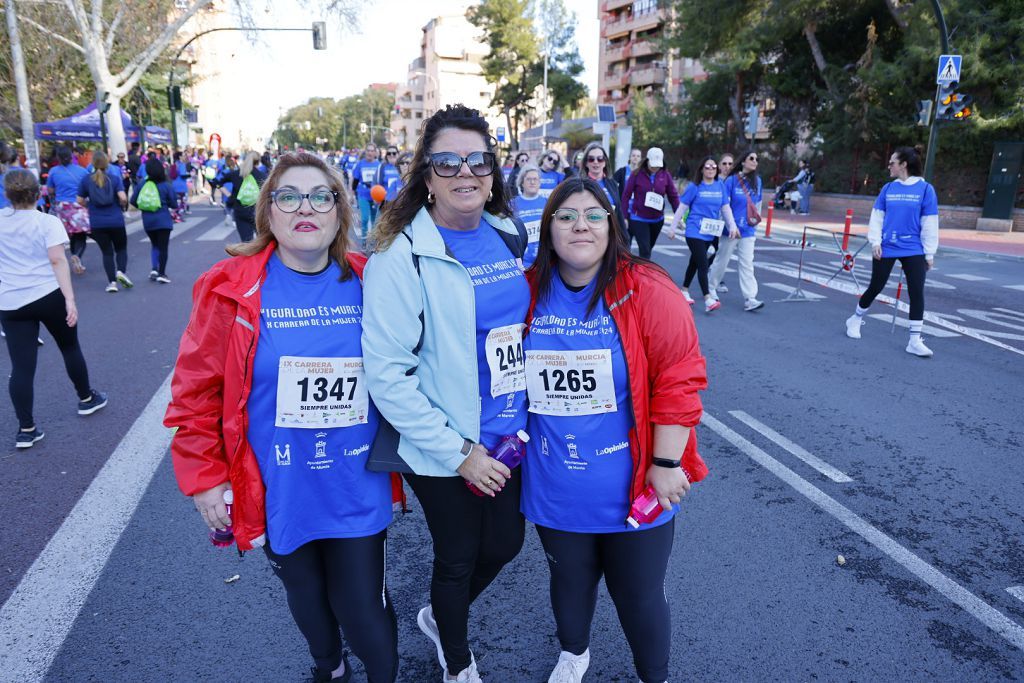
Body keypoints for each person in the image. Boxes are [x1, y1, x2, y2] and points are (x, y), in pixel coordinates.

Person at [164, 152, 402, 683]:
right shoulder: (230, 286)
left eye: (322, 196)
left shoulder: (372, 281)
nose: (306, 209)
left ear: (341, 212)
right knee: (306, 595)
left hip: (355, 481)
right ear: (268, 213)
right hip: (276, 483)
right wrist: (206, 479)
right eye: (288, 196)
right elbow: (196, 392)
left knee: (363, 608)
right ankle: (329, 664)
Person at [362, 104, 529, 683]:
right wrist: (460, 452)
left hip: (510, 430)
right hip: (445, 440)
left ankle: (438, 616)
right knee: (458, 556)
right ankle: (458, 663)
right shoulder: (400, 255)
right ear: (427, 176)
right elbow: (386, 375)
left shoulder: (506, 233)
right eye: (448, 161)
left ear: (493, 169)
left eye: (478, 159)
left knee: (505, 543)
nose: (466, 172)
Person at [522, 176, 708, 683]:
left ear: (612, 225)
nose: (579, 225)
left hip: (634, 486)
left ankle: (656, 676)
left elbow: (679, 377)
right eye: (565, 216)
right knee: (568, 580)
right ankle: (573, 653)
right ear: (548, 229)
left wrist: (667, 463)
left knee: (639, 594)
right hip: (556, 481)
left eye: (593, 215)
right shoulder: (527, 289)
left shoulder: (648, 288)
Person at [0, 169, 107, 449]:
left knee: (21, 366)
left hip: (11, 301)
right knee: (69, 347)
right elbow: (58, 261)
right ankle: (86, 398)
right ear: (39, 192)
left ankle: (26, 429)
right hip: (48, 294)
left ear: (8, 194)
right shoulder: (47, 222)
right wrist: (69, 299)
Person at [846, 146, 938, 357]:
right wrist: (875, 242)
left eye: (892, 163)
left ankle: (914, 340)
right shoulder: (888, 188)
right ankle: (856, 319)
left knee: (916, 292)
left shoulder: (925, 190)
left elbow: (930, 222)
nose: (889, 166)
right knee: (876, 286)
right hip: (887, 246)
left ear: (904, 164)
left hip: (914, 248)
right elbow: (877, 217)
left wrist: (929, 253)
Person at [669, 156, 737, 312]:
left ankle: (684, 290)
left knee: (695, 261)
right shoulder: (695, 186)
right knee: (702, 264)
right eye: (707, 167)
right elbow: (682, 208)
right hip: (694, 230)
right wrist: (672, 227)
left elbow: (725, 208)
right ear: (701, 169)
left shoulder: (720, 186)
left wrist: (732, 226)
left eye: (713, 167)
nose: (711, 169)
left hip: (711, 231)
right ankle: (708, 299)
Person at [709, 150, 764, 311]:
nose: (755, 161)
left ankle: (750, 297)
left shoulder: (758, 182)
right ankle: (711, 288)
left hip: (748, 231)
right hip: (731, 231)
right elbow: (724, 206)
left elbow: (758, 205)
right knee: (722, 260)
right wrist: (731, 226)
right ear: (743, 162)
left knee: (747, 263)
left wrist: (755, 226)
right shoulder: (731, 181)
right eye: (751, 158)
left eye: (757, 159)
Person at [76, 152, 132, 293]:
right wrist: (120, 203)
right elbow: (123, 198)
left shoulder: (86, 180)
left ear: (93, 164)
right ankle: (121, 272)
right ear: (107, 163)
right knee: (121, 249)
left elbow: (79, 200)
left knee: (107, 253)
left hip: (97, 222)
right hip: (115, 220)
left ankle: (112, 282)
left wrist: (89, 205)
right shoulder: (114, 179)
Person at [620, 147, 680, 259]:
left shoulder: (665, 175)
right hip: (638, 219)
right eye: (653, 165)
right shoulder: (636, 174)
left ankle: (640, 269)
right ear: (647, 160)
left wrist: (678, 215)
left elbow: (673, 196)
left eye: (657, 165)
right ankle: (642, 275)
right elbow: (626, 195)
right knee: (645, 251)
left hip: (657, 220)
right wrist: (624, 216)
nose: (655, 168)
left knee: (648, 249)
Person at [45, 146, 90, 275]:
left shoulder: (53, 171)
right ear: (72, 157)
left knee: (69, 235)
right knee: (80, 234)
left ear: (58, 158)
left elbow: (50, 190)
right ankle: (77, 256)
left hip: (62, 207)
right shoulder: (82, 171)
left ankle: (74, 255)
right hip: (78, 206)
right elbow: (87, 188)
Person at [130, 158, 176, 283]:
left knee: (154, 244)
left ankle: (154, 269)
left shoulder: (142, 184)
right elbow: (174, 203)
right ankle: (162, 273)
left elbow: (133, 200)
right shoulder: (166, 185)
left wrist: (145, 207)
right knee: (163, 247)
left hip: (148, 220)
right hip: (163, 220)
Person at [576, 142, 626, 243]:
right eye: (591, 159)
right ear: (586, 163)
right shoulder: (579, 184)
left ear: (605, 162)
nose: (596, 162)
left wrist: (625, 238)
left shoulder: (612, 184)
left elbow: (619, 212)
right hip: (589, 238)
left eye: (600, 159)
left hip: (611, 236)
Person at [223, 151, 268, 242]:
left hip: (240, 211)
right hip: (257, 212)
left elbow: (217, 181)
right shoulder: (263, 176)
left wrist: (227, 194)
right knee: (262, 243)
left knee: (246, 243)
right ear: (258, 161)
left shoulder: (236, 174)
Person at [512, 163, 545, 266]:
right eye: (528, 179)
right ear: (522, 182)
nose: (532, 182)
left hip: (545, 261)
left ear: (539, 182)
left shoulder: (548, 203)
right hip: (523, 263)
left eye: (535, 179)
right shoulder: (512, 204)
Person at [352, 144, 381, 238]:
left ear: (375, 153)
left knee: (374, 220)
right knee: (364, 218)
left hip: (376, 197)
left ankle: (371, 241)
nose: (370, 152)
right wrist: (352, 194)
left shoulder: (379, 165)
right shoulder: (360, 164)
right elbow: (355, 180)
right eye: (368, 150)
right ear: (365, 152)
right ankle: (364, 240)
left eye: (372, 151)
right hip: (363, 195)